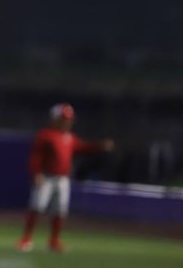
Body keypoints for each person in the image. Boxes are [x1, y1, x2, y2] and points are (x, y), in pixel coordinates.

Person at [17, 103, 114, 253]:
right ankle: (26, 239)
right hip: (46, 177)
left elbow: (83, 147)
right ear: (54, 118)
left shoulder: (69, 137)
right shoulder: (45, 135)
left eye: (68, 119)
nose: (66, 122)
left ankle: (54, 242)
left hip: (63, 179)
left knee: (60, 210)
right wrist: (37, 173)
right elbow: (36, 156)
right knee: (37, 207)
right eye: (63, 118)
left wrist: (99, 146)